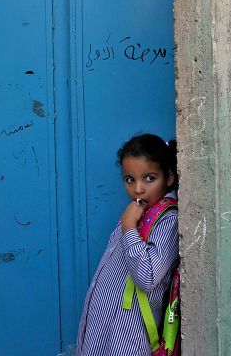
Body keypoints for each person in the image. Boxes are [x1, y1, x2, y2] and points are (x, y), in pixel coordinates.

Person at [76, 133, 179, 356]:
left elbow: (147, 277)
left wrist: (129, 227)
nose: (138, 189)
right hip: (104, 333)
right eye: (130, 179)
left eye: (149, 178)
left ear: (169, 177)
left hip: (127, 339)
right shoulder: (136, 213)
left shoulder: (167, 220)